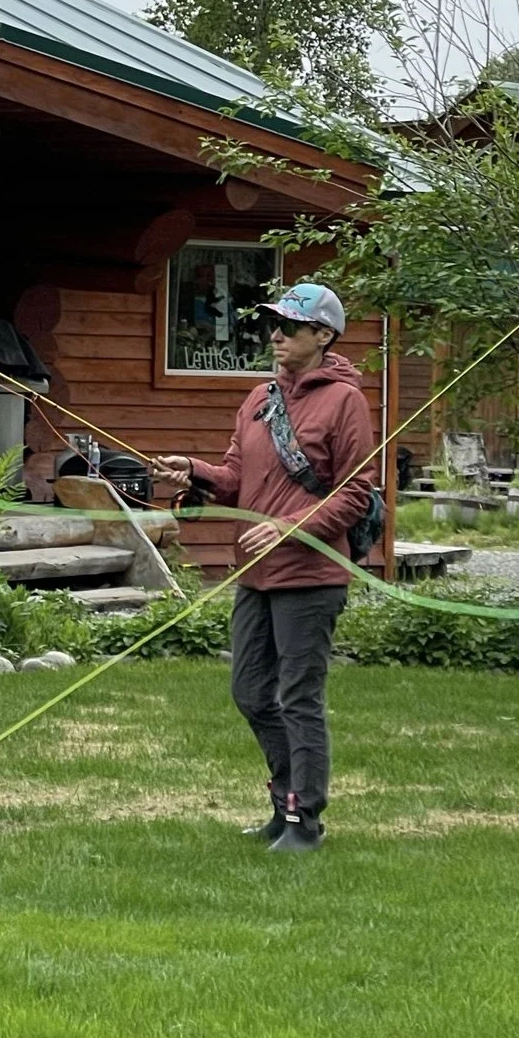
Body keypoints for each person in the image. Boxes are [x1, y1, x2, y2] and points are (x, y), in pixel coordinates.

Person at [151, 283, 375, 852]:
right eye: (273, 325)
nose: (276, 335)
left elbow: (355, 495)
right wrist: (194, 471)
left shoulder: (345, 402)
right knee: (252, 692)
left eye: (290, 327)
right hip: (253, 573)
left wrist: (288, 526)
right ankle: (284, 804)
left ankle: (306, 820)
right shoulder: (258, 398)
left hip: (311, 575)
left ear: (324, 336)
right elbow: (235, 477)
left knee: (299, 698)